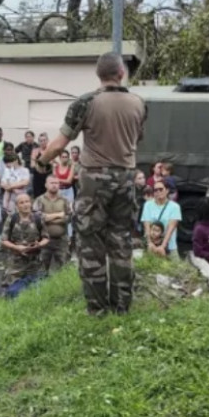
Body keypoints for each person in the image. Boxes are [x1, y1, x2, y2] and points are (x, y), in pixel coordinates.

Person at [35, 52, 146, 315]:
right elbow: (136, 139)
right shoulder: (139, 103)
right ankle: (122, 306)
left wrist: (41, 161)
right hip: (127, 176)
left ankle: (97, 309)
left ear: (98, 75)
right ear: (122, 73)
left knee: (90, 242)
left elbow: (60, 143)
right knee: (121, 240)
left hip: (95, 179)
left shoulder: (86, 102)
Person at [0, 194, 49, 298]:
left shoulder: (37, 218)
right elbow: (4, 240)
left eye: (27, 201)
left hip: (35, 263)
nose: (25, 204)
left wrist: (39, 244)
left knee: (37, 291)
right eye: (21, 203)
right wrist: (16, 247)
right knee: (12, 291)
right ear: (17, 206)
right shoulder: (12, 219)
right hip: (16, 264)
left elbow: (46, 238)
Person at [33, 175, 72, 272]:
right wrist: (59, 215)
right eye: (52, 183)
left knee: (64, 270)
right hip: (44, 241)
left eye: (56, 183)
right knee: (41, 272)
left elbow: (69, 217)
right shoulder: (39, 200)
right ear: (46, 185)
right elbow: (37, 218)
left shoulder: (65, 200)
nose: (54, 185)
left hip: (61, 241)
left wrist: (47, 217)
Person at [140, 180, 182, 259]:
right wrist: (149, 243)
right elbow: (146, 225)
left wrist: (163, 246)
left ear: (167, 190)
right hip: (151, 245)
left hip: (169, 246)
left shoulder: (175, 207)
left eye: (161, 189)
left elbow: (171, 228)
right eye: (155, 190)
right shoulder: (147, 205)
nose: (158, 192)